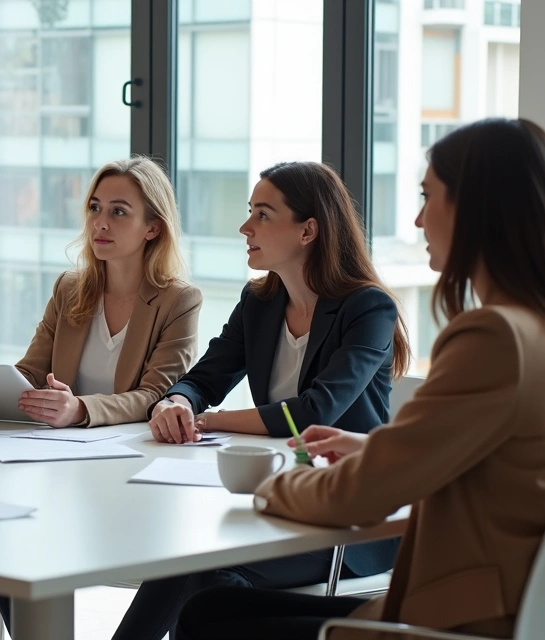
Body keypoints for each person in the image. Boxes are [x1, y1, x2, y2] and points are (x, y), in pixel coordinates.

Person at [175, 118, 545, 640]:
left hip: (462, 624)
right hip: (526, 613)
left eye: (427, 197)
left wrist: (270, 483)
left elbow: (360, 496)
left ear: (474, 209)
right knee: (213, 607)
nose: (418, 220)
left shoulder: (495, 338)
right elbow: (503, 466)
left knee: (207, 615)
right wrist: (376, 448)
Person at [120, 161, 411, 640]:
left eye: (262, 214)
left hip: (348, 524)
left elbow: (316, 411)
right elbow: (204, 377)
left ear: (308, 231)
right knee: (186, 558)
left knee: (207, 576)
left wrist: (210, 421)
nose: (245, 227)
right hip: (276, 504)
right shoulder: (259, 303)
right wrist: (178, 402)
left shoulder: (368, 308)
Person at [0, 156, 203, 428]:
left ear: (153, 228)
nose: (99, 223)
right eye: (94, 208)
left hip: (133, 445)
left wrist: (80, 409)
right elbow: (31, 373)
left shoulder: (179, 301)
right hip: (62, 445)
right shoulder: (69, 288)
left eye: (118, 212)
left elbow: (156, 395)